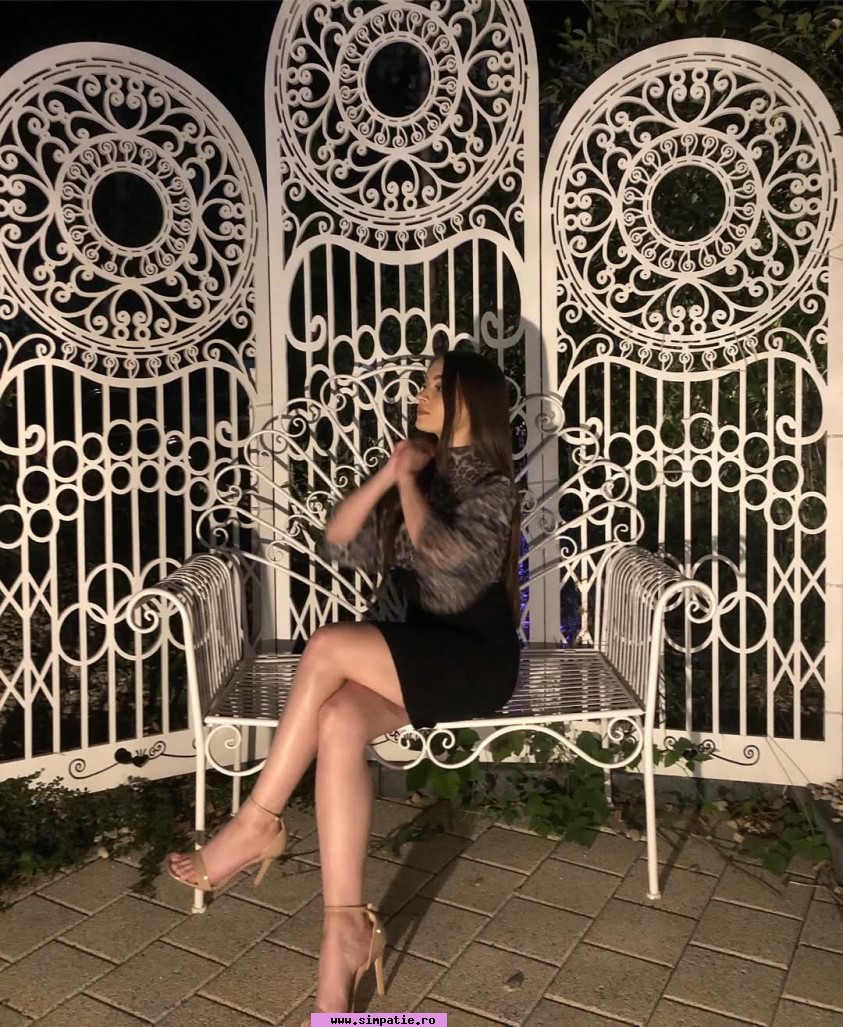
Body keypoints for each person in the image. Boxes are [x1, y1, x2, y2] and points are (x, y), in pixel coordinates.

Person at [167, 349, 522, 1018]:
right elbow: (340, 539)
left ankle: (255, 823)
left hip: (473, 662)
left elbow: (445, 570)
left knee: (329, 645)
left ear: (469, 402)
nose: (420, 395)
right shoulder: (424, 471)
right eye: (422, 384)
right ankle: (345, 946)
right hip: (422, 655)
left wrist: (409, 485)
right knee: (337, 720)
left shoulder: (491, 486)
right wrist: (390, 474)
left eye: (435, 386)